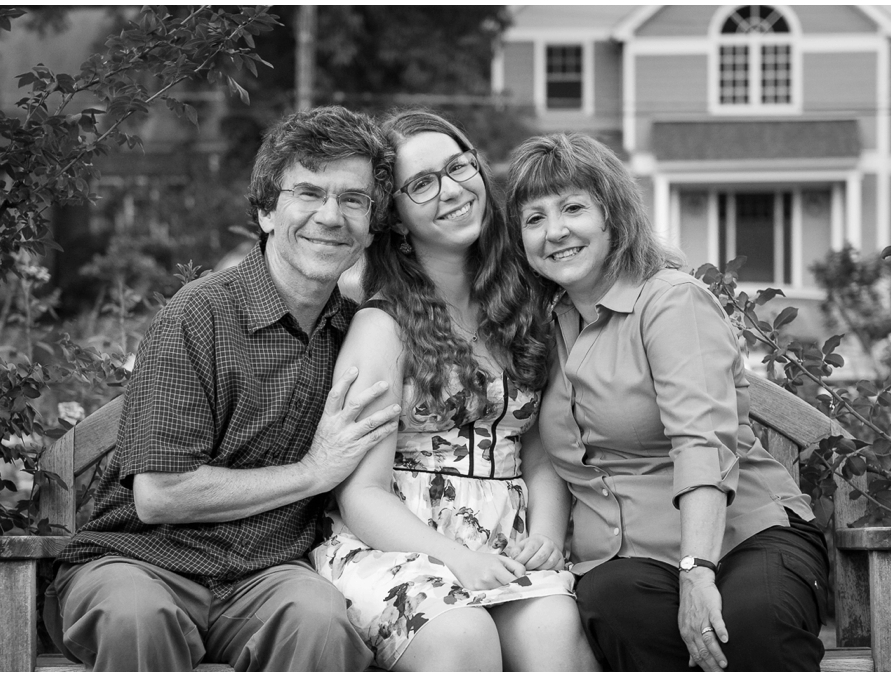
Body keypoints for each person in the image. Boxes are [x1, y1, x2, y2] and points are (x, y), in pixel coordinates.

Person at [45, 106, 403, 671]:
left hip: (265, 577)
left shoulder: (356, 332)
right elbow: (160, 495)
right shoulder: (198, 316)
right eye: (308, 193)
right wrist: (314, 471)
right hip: (139, 562)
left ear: (371, 223)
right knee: (138, 619)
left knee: (323, 623)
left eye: (353, 199)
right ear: (266, 211)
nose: (331, 217)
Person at [504, 132, 830, 672]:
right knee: (613, 603)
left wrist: (697, 568)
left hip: (740, 536)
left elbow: (701, 439)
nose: (555, 231)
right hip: (627, 562)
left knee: (750, 620)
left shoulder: (670, 300)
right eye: (534, 219)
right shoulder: (541, 329)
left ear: (612, 216)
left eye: (573, 208)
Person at [309, 111, 600, 672]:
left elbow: (539, 449)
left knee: (554, 630)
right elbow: (361, 494)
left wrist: (542, 534)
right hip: (401, 544)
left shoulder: (523, 305)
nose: (452, 190)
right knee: (463, 636)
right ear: (393, 218)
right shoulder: (383, 326)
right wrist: (454, 560)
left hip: (505, 539)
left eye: (458, 167)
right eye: (422, 184)